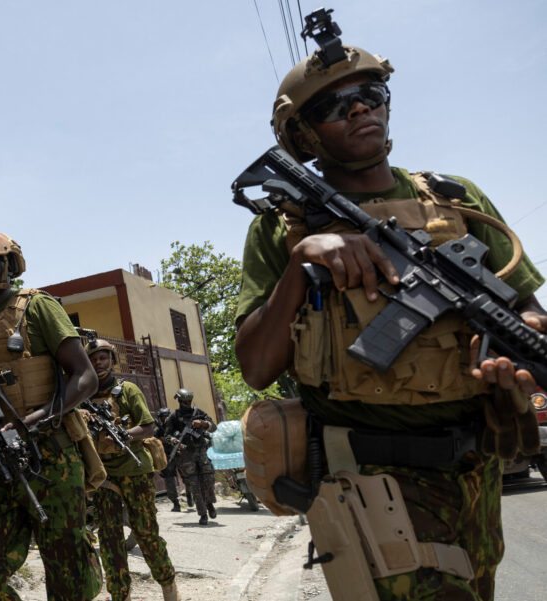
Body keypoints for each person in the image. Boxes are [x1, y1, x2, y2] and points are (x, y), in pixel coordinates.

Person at [234, 12, 546, 600]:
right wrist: (303, 260)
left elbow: (528, 309)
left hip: (476, 470)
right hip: (370, 480)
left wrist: (517, 342)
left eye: (370, 95)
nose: (359, 109)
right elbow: (255, 366)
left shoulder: (456, 199)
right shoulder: (283, 226)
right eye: (335, 105)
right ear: (303, 136)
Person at [0, 225, 103, 601]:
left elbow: (85, 377)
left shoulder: (38, 307)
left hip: (52, 454)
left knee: (68, 575)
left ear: (10, 265)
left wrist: (35, 420)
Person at [85, 339, 179, 601]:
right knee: (109, 539)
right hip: (103, 476)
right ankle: (120, 594)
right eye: (93, 359)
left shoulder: (128, 390)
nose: (98, 363)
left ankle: (169, 586)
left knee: (145, 532)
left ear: (112, 361)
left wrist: (123, 435)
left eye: (103, 358)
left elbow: (147, 426)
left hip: (134, 471)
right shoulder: (83, 397)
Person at [161, 389, 216, 525]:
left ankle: (209, 504)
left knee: (208, 479)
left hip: (201, 451)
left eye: (188, 401)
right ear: (179, 401)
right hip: (186, 455)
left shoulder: (199, 413)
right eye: (184, 401)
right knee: (194, 484)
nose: (187, 403)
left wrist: (202, 423)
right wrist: (175, 441)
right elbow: (167, 435)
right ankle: (203, 514)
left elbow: (213, 427)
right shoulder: (174, 417)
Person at [153, 407, 187, 512]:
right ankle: (176, 503)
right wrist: (160, 440)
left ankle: (189, 495)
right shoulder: (158, 430)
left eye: (167, 416)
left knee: (187, 476)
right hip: (167, 456)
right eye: (163, 417)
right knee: (169, 480)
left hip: (179, 454)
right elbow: (154, 442)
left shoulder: (177, 427)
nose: (165, 419)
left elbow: (183, 438)